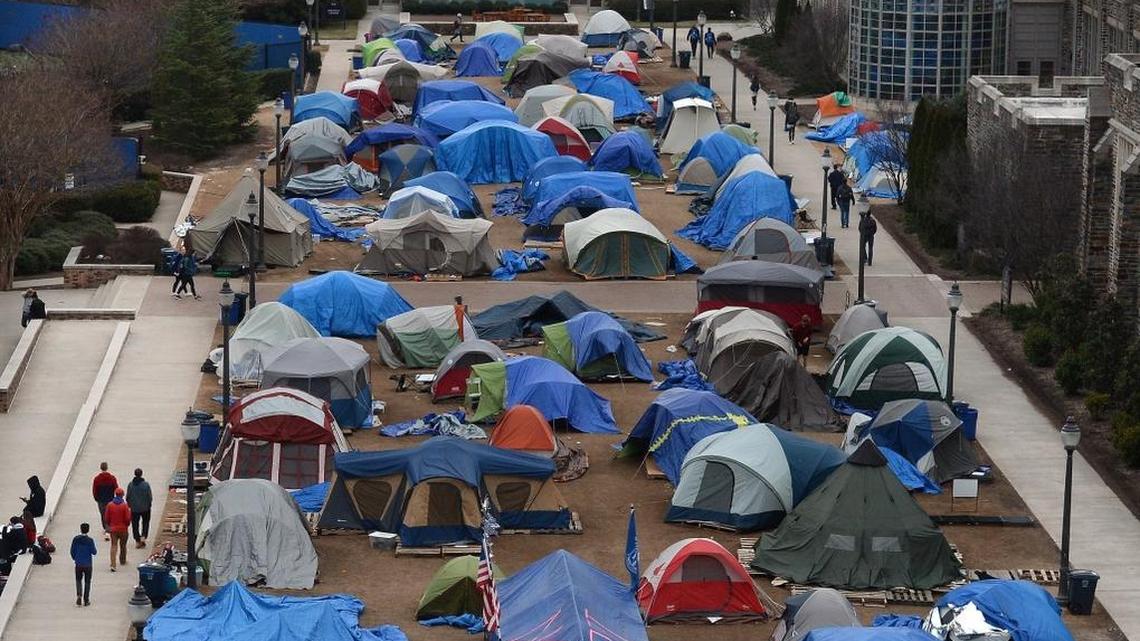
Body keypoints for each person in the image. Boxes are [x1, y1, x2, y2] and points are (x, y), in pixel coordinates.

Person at [104, 488, 130, 572]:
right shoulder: (124, 505)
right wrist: (127, 524)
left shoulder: (110, 505)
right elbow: (127, 518)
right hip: (123, 529)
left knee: (114, 545)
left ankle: (113, 564)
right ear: (122, 495)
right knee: (123, 545)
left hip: (113, 529)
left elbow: (106, 518)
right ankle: (122, 560)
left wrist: (109, 525)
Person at [70, 523, 97, 606]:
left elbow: (72, 551)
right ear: (88, 530)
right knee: (87, 581)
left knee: (78, 580)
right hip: (88, 564)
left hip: (78, 564)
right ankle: (86, 599)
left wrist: (75, 558)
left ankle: (79, 595)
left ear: (80, 529)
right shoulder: (90, 540)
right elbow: (94, 552)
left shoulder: (75, 539)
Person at [126, 468, 152, 550]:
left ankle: (137, 539)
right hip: (145, 508)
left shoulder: (130, 485)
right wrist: (149, 504)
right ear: (141, 474)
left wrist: (130, 505)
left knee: (135, 524)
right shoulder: (146, 484)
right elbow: (149, 496)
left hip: (134, 509)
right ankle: (143, 536)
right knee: (145, 522)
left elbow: (128, 497)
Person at [91, 462, 117, 541]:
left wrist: (96, 498)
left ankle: (106, 529)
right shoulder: (112, 478)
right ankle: (109, 529)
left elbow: (94, 490)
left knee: (103, 514)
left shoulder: (97, 479)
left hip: (101, 500)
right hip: (110, 499)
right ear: (107, 467)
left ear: (100, 468)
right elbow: (116, 488)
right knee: (110, 514)